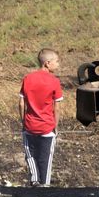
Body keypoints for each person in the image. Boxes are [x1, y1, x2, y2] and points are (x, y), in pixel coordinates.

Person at [18, 48, 63, 187]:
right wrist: (55, 126)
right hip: (47, 127)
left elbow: (21, 103)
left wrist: (24, 121)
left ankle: (34, 180)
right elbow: (57, 107)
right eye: (56, 61)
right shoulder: (54, 81)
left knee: (30, 155)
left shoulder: (28, 78)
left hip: (30, 125)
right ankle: (45, 185)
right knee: (46, 158)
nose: (58, 64)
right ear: (47, 63)